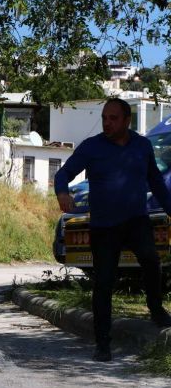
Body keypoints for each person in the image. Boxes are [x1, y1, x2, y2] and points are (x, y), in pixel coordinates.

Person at [55, 98, 171, 362]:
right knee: (104, 283)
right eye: (105, 118)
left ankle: (156, 310)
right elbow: (63, 174)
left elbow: (156, 181)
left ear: (127, 121)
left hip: (136, 221)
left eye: (113, 118)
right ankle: (103, 343)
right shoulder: (91, 147)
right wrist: (62, 192)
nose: (107, 123)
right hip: (104, 227)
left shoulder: (142, 146)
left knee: (152, 261)